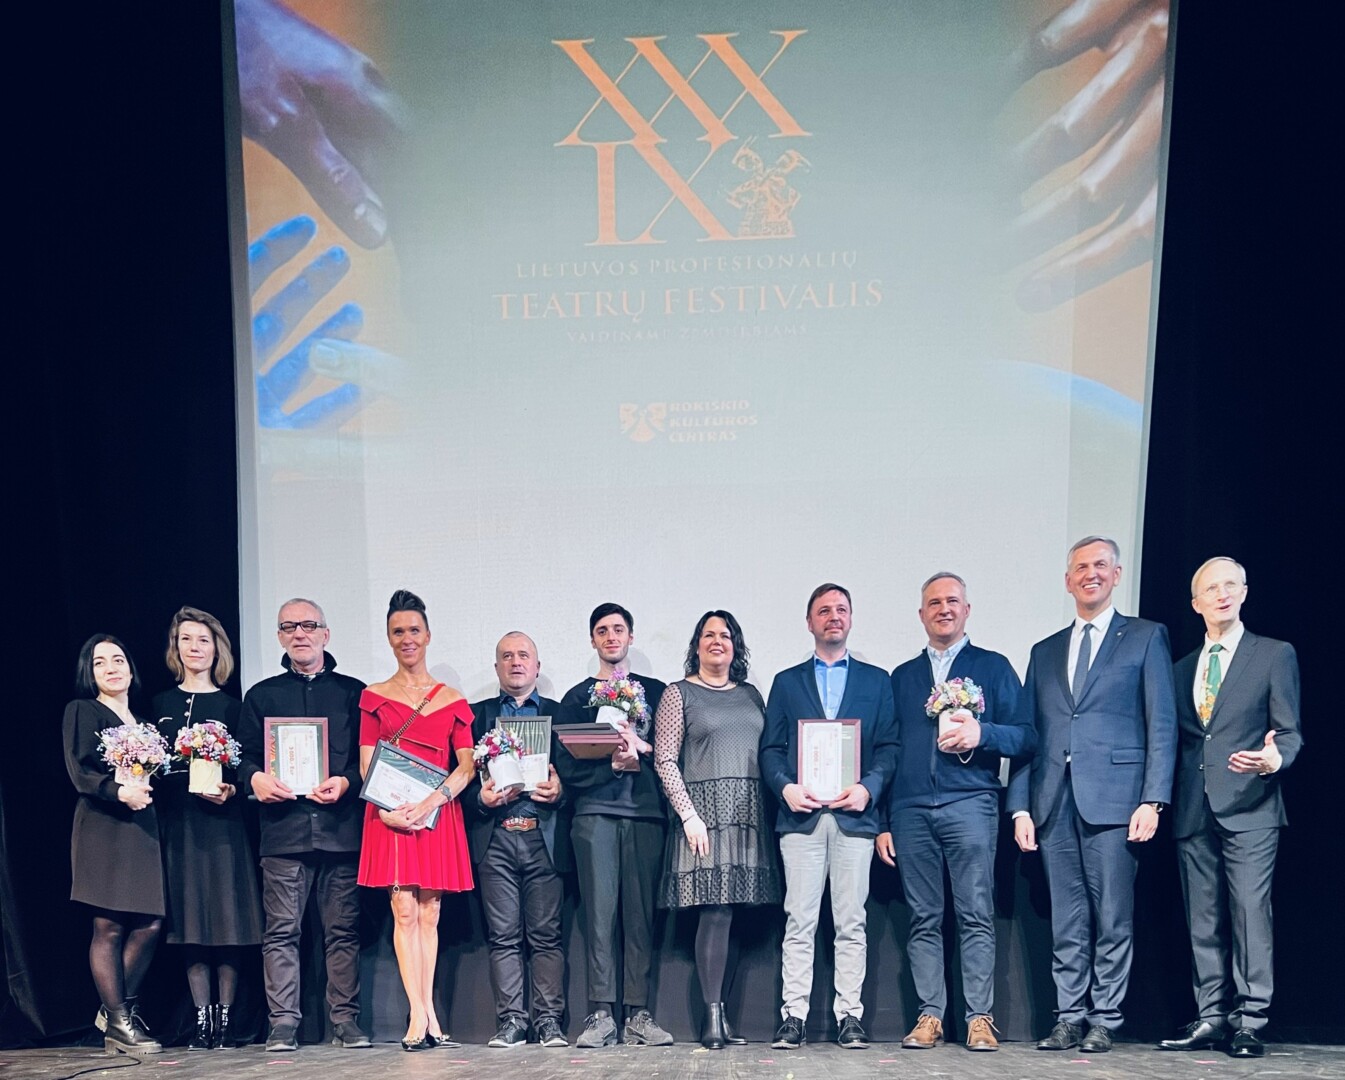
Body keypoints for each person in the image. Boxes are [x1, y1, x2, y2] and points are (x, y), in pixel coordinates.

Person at [1007, 536, 1177, 1053]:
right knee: (1067, 918)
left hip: (1117, 801)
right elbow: (1029, 735)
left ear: (1117, 574)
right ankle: (1069, 1017)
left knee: (1113, 917)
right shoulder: (1044, 650)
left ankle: (1105, 1018)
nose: (1091, 574)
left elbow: (1162, 723)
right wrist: (1019, 807)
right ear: (1068, 580)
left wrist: (1153, 799)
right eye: (1081, 567)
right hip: (1053, 802)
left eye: (1100, 565)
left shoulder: (1145, 637)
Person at [876, 573, 1030, 1052]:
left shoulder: (993, 667)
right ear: (921, 614)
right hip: (910, 811)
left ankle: (979, 1017)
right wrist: (884, 821)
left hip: (971, 803)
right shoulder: (901, 677)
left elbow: (1026, 735)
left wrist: (983, 734)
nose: (944, 609)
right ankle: (930, 1015)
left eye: (952, 601)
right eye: (934, 603)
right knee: (923, 917)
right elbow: (888, 750)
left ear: (967, 609)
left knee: (975, 913)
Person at [1158, 558, 1302, 1059]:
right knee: (1203, 919)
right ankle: (1211, 1016)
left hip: (1251, 805)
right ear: (1195, 603)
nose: (1222, 594)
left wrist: (1272, 759)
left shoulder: (1273, 654)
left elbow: (1289, 731)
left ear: (1243, 592)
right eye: (1211, 588)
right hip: (1193, 809)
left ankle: (1250, 1020)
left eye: (1230, 586)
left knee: (1248, 914)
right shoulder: (1180, 668)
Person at [759, 583, 897, 1050]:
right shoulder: (787, 682)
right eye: (824, 610)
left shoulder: (877, 681)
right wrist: (786, 787)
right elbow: (770, 749)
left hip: (855, 817)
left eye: (840, 609)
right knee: (799, 921)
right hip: (801, 818)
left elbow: (889, 747)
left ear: (851, 618)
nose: (833, 616)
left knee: (851, 922)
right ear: (810, 622)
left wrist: (868, 788)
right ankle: (793, 1016)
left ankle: (849, 1016)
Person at [237, 598, 370, 1052]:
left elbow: (366, 760)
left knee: (343, 933)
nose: (300, 633)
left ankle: (345, 1021)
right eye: (289, 626)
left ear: (325, 634)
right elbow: (244, 758)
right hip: (283, 833)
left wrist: (346, 782)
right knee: (280, 933)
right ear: (279, 636)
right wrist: (255, 778)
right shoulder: (261, 696)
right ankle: (282, 1024)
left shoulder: (355, 693)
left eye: (309, 625)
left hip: (340, 830)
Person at [653, 610, 782, 1049]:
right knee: (716, 911)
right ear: (697, 645)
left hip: (748, 813)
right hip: (703, 817)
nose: (717, 641)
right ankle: (711, 1018)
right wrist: (688, 815)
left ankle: (724, 1016)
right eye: (708, 635)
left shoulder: (751, 695)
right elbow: (665, 759)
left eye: (725, 635)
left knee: (738, 911)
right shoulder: (678, 694)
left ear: (735, 646)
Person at [357, 589, 475, 1051]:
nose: (407, 638)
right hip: (390, 815)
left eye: (414, 630)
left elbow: (466, 767)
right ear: (389, 639)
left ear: (427, 636)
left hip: (435, 814)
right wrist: (387, 810)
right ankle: (420, 1015)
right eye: (397, 631)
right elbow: (367, 761)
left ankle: (427, 1013)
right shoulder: (374, 697)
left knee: (430, 912)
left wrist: (430, 803)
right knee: (403, 909)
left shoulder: (452, 700)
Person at [553, 603, 670, 1048]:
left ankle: (638, 1015)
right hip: (594, 815)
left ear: (631, 637)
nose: (611, 637)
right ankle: (601, 1014)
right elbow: (566, 765)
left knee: (640, 918)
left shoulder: (658, 693)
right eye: (602, 631)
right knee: (599, 918)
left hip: (646, 815)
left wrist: (641, 753)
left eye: (618, 629)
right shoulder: (576, 698)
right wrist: (611, 767)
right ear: (593, 640)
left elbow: (673, 755)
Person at [151, 607, 263, 1050]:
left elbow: (244, 767)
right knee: (190, 921)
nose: (194, 648)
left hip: (222, 826)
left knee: (227, 920)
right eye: (186, 639)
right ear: (175, 647)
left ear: (217, 649)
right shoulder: (159, 705)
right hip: (178, 826)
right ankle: (201, 1020)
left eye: (203, 640)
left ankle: (226, 1021)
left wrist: (232, 790)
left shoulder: (233, 706)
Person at [63, 634, 165, 1054]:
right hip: (103, 824)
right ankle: (122, 1023)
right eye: (100, 662)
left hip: (141, 827)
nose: (111, 668)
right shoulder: (82, 710)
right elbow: (80, 770)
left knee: (150, 924)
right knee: (108, 925)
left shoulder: (143, 722)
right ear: (89, 673)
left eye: (118, 659)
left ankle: (113, 1011)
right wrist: (118, 791)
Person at [467, 632, 568, 1049]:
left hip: (544, 838)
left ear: (537, 667)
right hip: (496, 840)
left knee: (546, 936)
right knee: (503, 936)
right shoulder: (476, 716)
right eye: (506, 656)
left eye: (523, 655)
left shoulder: (560, 714)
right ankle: (512, 1021)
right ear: (497, 668)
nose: (515, 662)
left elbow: (578, 777)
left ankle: (548, 1021)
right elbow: (460, 779)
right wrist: (480, 798)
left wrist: (561, 790)